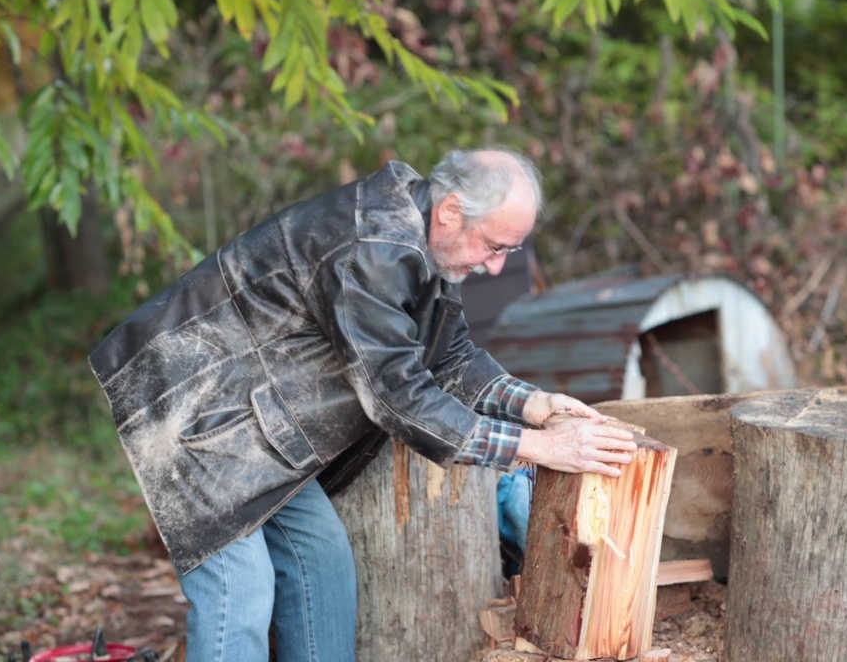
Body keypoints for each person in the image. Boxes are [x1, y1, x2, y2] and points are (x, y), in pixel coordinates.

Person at [88, 148, 638, 662]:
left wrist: (536, 404)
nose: (496, 267)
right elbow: (399, 396)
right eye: (494, 247)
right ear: (450, 210)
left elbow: (448, 358)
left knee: (321, 562)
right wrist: (536, 446)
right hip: (192, 407)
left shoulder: (420, 241)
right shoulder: (373, 250)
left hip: (257, 424)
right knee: (241, 590)